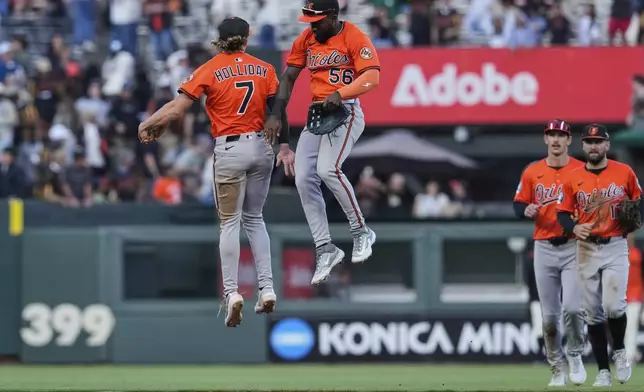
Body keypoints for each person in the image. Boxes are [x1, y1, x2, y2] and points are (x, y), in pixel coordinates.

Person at [138, 17, 295, 328]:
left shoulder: (210, 68)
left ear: (219, 40)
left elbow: (177, 108)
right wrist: (286, 147)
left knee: (230, 223)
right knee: (255, 219)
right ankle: (267, 288)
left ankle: (232, 292)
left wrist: (149, 123)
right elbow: (279, 110)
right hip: (263, 146)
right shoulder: (264, 68)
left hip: (230, 147)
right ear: (246, 38)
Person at [265, 0, 381, 285]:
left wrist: (342, 94)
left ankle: (361, 231)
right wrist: (276, 114)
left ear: (332, 16)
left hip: (347, 110)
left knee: (329, 169)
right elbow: (289, 77)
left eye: (316, 21)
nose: (311, 26)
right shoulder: (307, 39)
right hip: (318, 114)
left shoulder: (354, 36)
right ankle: (325, 247)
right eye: (309, 20)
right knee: (304, 177)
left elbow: (373, 77)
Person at [557, 123, 642, 386]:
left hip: (615, 244)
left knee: (614, 306)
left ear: (607, 145)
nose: (594, 146)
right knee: (592, 312)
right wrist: (573, 226)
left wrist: (634, 219)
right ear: (583, 146)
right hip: (586, 248)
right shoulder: (572, 176)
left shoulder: (624, 172)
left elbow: (638, 201)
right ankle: (603, 370)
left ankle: (619, 352)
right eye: (589, 141)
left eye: (598, 141)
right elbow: (561, 212)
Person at [513, 119, 586, 386]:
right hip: (543, 246)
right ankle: (557, 368)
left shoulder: (581, 169)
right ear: (546, 139)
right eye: (551, 134)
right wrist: (525, 210)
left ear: (569, 140)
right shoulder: (533, 171)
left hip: (572, 246)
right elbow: (518, 204)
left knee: (574, 308)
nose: (556, 139)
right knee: (549, 316)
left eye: (561, 135)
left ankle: (576, 354)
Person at [625, 233, 642, 363]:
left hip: (636, 293)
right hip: (621, 295)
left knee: (631, 323)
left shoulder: (638, 253)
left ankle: (630, 355)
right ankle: (633, 353)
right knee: (625, 325)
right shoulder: (617, 254)